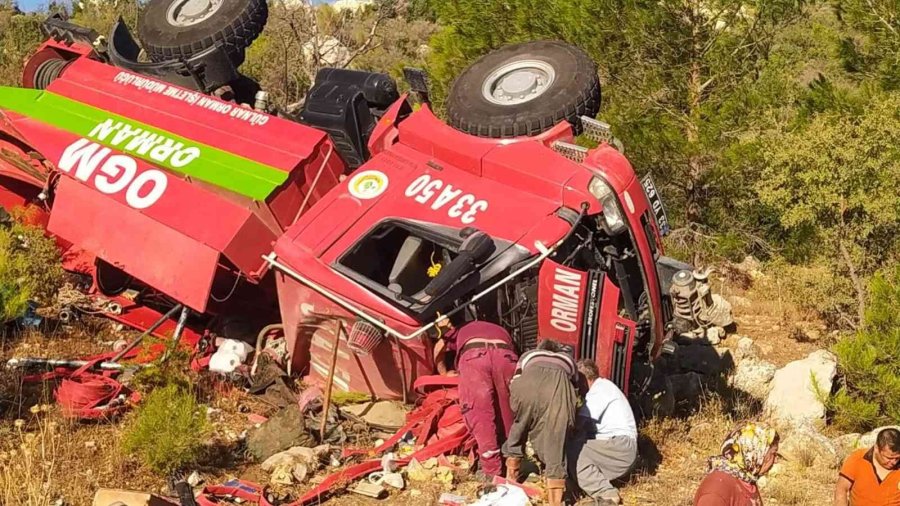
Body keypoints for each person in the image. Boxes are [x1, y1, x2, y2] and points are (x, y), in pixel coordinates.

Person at [433, 317, 519, 478]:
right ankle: (512, 466)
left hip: (475, 357)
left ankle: (491, 473)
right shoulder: (498, 327)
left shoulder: (459, 330)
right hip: (506, 356)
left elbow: (439, 348)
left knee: (480, 414)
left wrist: (443, 372)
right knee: (507, 413)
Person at [503, 339, 579, 506]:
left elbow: (515, 382)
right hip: (558, 387)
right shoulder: (568, 360)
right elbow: (574, 391)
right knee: (556, 442)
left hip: (527, 384)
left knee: (519, 427)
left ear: (540, 348)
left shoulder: (528, 355)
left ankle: (511, 479)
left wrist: (521, 408)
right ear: (557, 350)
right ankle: (555, 500)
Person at [568, 359, 638, 506]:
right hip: (620, 446)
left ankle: (606, 494)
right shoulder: (606, 388)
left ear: (584, 378)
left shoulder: (599, 390)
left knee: (575, 450)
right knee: (579, 447)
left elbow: (579, 424)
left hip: (620, 446)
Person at [693, 422, 780, 506]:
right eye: (773, 453)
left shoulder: (746, 478)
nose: (776, 460)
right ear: (755, 452)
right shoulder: (716, 491)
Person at [834, 427, 900, 506]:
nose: (893, 462)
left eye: (897, 458)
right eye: (889, 458)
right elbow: (841, 489)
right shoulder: (857, 459)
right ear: (876, 448)